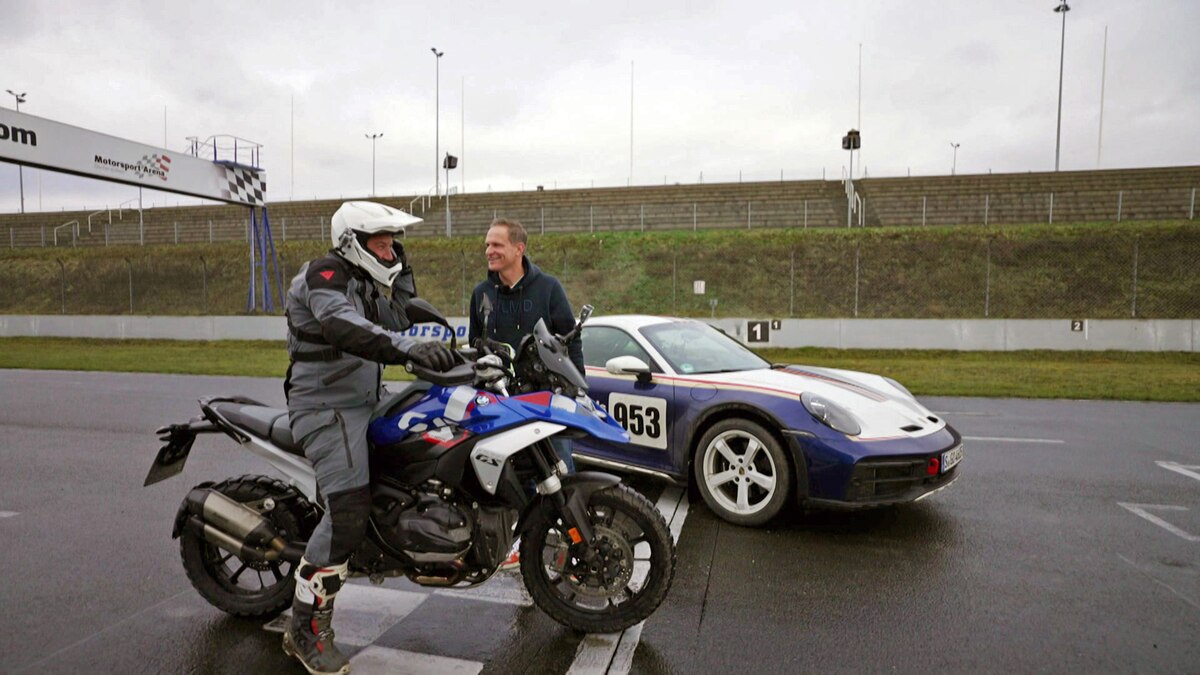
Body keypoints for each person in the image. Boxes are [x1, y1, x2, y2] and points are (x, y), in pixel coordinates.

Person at [282, 201, 455, 675]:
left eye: (393, 242)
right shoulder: (325, 275)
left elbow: (397, 318)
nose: (390, 248)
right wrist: (407, 348)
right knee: (347, 515)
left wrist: (407, 283)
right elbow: (344, 325)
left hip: (367, 396)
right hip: (325, 407)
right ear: (351, 242)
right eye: (381, 242)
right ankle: (305, 629)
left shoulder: (365, 280)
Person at [468, 218, 582, 570]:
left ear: (519, 248)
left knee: (559, 479)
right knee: (512, 482)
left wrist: (575, 391)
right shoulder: (480, 294)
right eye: (487, 245)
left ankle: (574, 553)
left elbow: (569, 341)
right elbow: (474, 347)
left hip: (546, 404)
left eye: (497, 245)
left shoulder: (548, 288)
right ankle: (524, 545)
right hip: (501, 405)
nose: (489, 251)